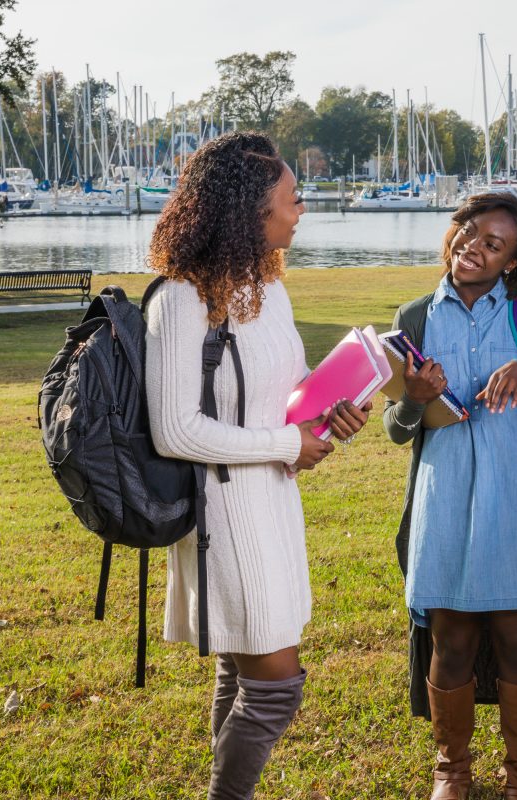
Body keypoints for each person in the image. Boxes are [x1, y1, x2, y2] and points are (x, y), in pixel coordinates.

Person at [144, 131, 371, 800]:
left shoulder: (266, 289)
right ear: (250, 208)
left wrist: (330, 414)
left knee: (242, 671)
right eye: (292, 198)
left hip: (273, 500)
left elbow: (284, 392)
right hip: (221, 511)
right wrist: (286, 445)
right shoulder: (181, 298)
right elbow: (175, 429)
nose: (301, 210)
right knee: (275, 684)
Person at [382, 192, 517, 800]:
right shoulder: (414, 317)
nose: (473, 248)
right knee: (451, 636)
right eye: (468, 233)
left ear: (511, 262)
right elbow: (396, 430)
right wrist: (414, 398)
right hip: (441, 501)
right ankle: (451, 771)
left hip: (515, 500)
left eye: (493, 244)